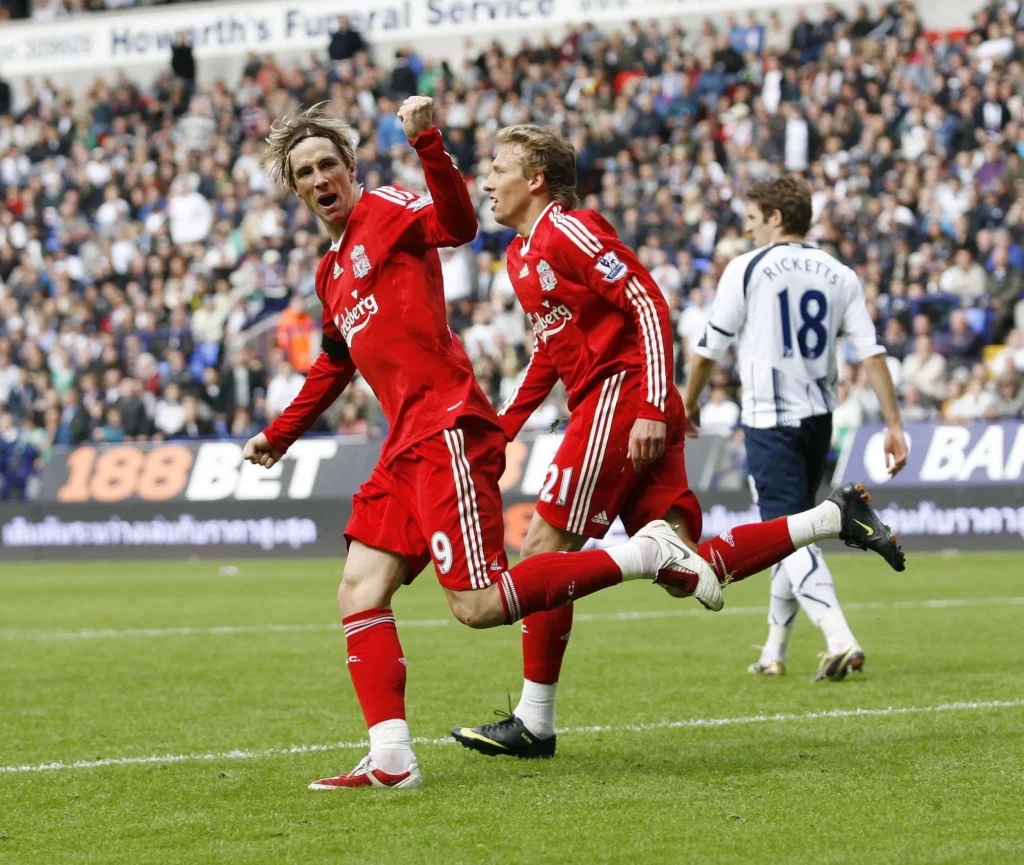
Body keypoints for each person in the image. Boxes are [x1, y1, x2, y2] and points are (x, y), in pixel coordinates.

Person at [243, 100, 722, 790]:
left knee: (478, 604)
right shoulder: (331, 272)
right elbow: (334, 363)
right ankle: (391, 759)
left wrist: (429, 145)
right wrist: (280, 434)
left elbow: (459, 225)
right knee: (358, 588)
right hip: (401, 445)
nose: (320, 178)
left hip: (443, 428)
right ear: (294, 190)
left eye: (328, 165)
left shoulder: (389, 207)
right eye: (305, 173)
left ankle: (645, 551)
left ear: (350, 169)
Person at [450, 126, 904, 761]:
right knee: (689, 565)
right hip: (623, 403)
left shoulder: (569, 230)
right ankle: (833, 516)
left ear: (535, 180)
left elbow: (647, 302)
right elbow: (549, 354)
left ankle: (535, 721)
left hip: (622, 399)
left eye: (497, 169)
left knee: (543, 550)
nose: (485, 182)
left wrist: (653, 403)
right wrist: (505, 427)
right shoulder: (522, 257)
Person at [684, 176, 908, 683]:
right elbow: (871, 353)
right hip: (818, 420)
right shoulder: (839, 273)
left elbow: (708, 349)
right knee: (792, 532)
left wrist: (689, 402)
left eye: (753, 216)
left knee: (786, 535)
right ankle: (774, 648)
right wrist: (894, 424)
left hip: (770, 421)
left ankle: (839, 638)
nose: (748, 226)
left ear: (776, 218)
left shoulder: (747, 268)